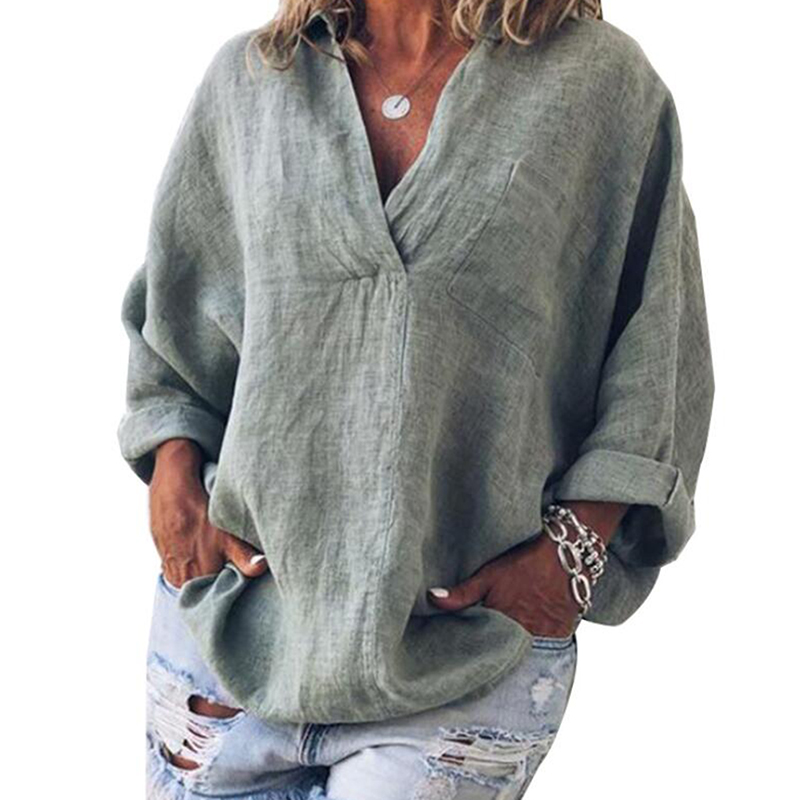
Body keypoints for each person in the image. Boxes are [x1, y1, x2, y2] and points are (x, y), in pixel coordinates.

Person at [117, 1, 715, 797]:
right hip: (227, 642)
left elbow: (657, 343)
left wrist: (572, 554)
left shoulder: (598, 84)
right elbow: (175, 327)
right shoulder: (253, 81)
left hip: (463, 660)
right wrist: (173, 482)